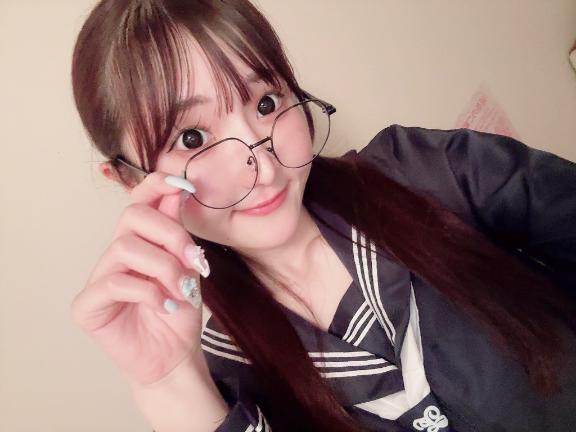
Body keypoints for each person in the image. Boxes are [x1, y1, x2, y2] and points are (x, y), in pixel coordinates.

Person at [69, 1, 576, 431]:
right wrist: (166, 384)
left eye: (266, 103)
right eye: (192, 138)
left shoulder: (422, 171)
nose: (263, 167)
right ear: (130, 179)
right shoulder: (225, 380)